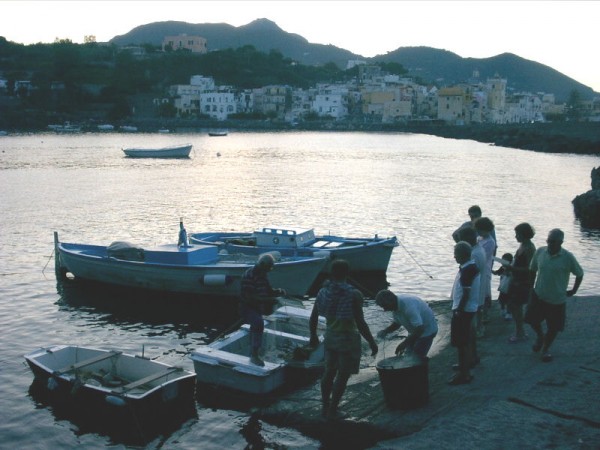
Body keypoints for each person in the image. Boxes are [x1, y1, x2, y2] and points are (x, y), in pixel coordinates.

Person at [309, 259, 378, 419]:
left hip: (331, 335)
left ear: (331, 273)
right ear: (347, 273)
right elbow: (360, 322)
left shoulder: (322, 292)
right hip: (348, 338)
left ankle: (325, 405)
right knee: (343, 374)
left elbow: (313, 316)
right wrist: (372, 342)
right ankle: (333, 409)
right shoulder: (354, 294)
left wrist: (313, 335)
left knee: (329, 371)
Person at [526, 229, 583, 362]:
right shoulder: (540, 252)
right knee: (532, 320)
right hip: (539, 294)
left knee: (554, 327)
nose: (549, 243)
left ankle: (545, 349)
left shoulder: (568, 257)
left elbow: (579, 274)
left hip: (557, 299)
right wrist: (530, 287)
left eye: (552, 241)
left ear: (560, 242)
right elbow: (532, 269)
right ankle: (540, 336)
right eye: (548, 240)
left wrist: (574, 290)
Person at [240, 253, 286, 366]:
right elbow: (250, 298)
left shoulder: (263, 274)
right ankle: (254, 356)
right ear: (262, 264)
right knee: (258, 323)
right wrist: (269, 300)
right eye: (269, 267)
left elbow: (268, 290)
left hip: (258, 307)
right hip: (247, 307)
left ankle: (254, 349)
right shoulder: (249, 275)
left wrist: (278, 291)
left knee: (256, 325)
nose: (270, 270)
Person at [449, 241, 480, 385]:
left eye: (456, 254)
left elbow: (466, 293)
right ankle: (465, 366)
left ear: (462, 254)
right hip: (470, 309)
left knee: (461, 343)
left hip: (464, 310)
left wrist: (459, 310)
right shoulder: (470, 267)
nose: (454, 257)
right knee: (465, 340)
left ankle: (464, 374)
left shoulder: (467, 270)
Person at [374, 290, 438, 360]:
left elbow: (420, 329)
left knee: (415, 359)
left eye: (384, 306)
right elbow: (397, 323)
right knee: (408, 356)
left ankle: (422, 365)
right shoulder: (395, 306)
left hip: (427, 331)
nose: (385, 310)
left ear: (391, 301)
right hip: (414, 331)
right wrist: (385, 331)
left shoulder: (408, 306)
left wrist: (404, 343)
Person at [505, 222, 536, 343]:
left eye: (517, 234)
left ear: (524, 234)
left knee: (516, 306)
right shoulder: (523, 245)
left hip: (522, 282)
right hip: (516, 280)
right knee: (514, 306)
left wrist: (513, 269)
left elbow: (530, 268)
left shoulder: (529, 248)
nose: (515, 236)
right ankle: (519, 331)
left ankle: (520, 332)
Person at [474, 217, 496, 328]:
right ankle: (481, 314)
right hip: (479, 269)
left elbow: (484, 256)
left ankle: (485, 313)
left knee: (485, 291)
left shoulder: (490, 242)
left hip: (485, 269)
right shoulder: (479, 238)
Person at [492, 252, 514, 320]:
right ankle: (503, 310)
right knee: (501, 300)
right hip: (503, 287)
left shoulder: (511, 268)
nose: (501, 262)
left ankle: (509, 313)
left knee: (509, 301)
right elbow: (497, 272)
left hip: (509, 288)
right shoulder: (503, 267)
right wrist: (491, 270)